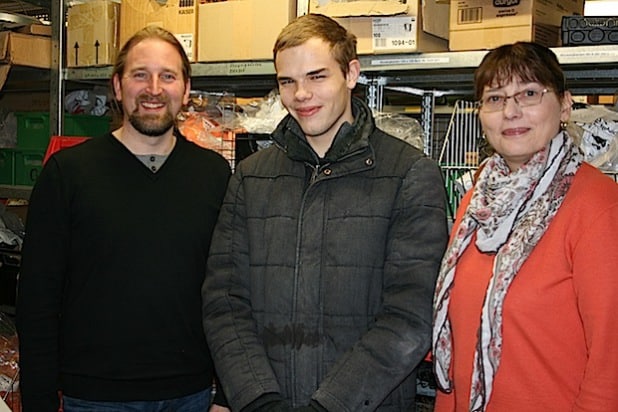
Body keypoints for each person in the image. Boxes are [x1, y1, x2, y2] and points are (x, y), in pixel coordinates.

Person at [202, 13, 449, 412]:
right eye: (287, 81)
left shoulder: (408, 174)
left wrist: (330, 405)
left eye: (317, 76)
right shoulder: (251, 177)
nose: (301, 94)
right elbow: (224, 301)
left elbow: (410, 314)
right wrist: (258, 399)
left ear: (351, 73)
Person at [16, 26, 231, 411]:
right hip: (96, 397)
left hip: (192, 395)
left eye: (167, 75)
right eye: (139, 74)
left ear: (185, 90)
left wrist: (228, 395)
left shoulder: (214, 176)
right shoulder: (69, 174)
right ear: (117, 86)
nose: (153, 88)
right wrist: (39, 401)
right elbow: (37, 300)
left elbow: (231, 291)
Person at [432, 42, 618, 412]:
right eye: (495, 99)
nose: (511, 112)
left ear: (565, 105)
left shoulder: (598, 206)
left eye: (529, 94)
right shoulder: (478, 199)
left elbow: (611, 361)